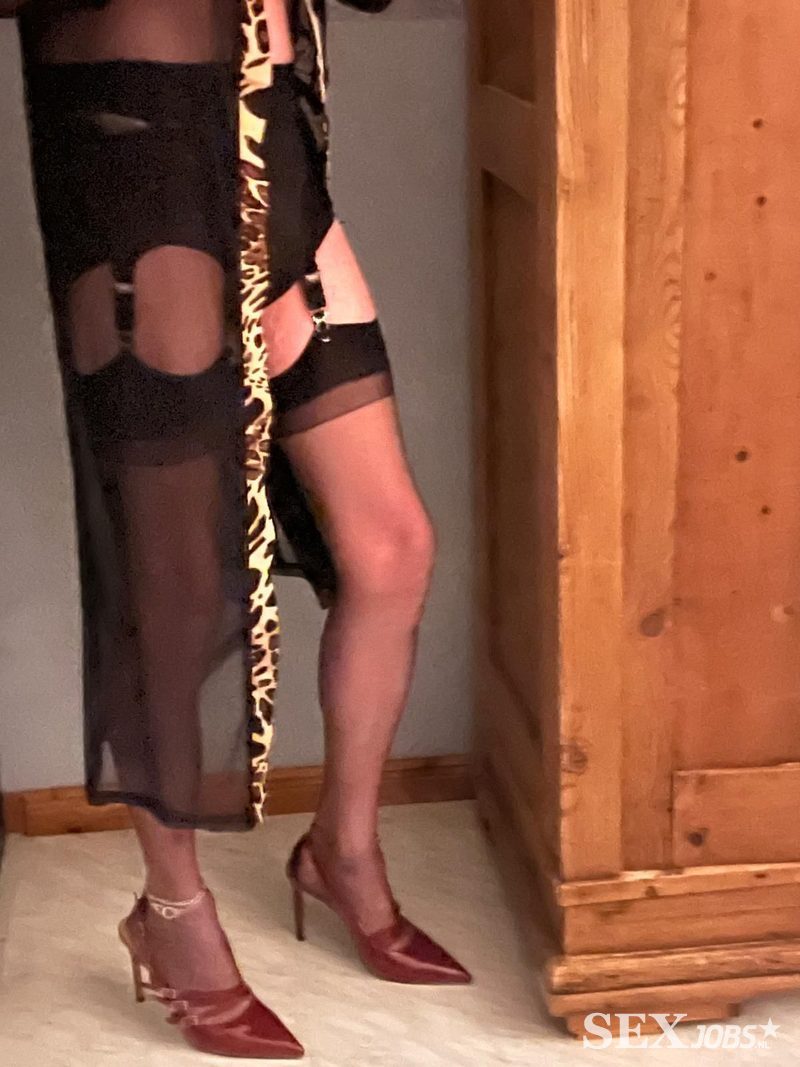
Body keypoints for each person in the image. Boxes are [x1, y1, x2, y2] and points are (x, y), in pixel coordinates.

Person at [12, 0, 470, 1057]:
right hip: (144, 169)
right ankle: (172, 911)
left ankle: (341, 851)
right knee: (171, 587)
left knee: (391, 549)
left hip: (275, 156)